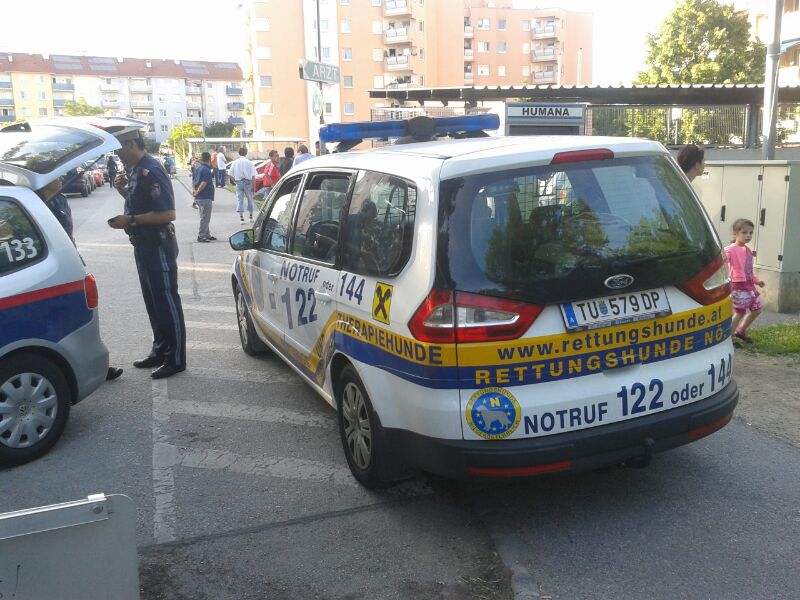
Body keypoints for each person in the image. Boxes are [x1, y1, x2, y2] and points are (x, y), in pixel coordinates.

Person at [108, 130, 186, 379]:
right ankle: (160, 350)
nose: (118, 155)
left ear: (131, 144)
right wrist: (123, 191)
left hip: (158, 245)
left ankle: (176, 358)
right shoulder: (134, 170)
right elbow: (141, 203)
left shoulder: (151, 170)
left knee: (166, 301)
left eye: (119, 149)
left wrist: (130, 219)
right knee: (153, 302)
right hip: (143, 245)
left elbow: (168, 213)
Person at [36, 175, 124, 381]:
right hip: (47, 269)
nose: (61, 177)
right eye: (55, 175)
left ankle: (95, 365)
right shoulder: (37, 204)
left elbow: (67, 235)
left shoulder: (60, 199)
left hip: (68, 262)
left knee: (82, 316)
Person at [724, 218, 765, 345]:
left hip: (749, 287)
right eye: (744, 232)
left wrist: (757, 281)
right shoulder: (730, 249)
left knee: (757, 309)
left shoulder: (748, 251)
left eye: (751, 233)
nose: (748, 235)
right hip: (738, 287)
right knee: (739, 312)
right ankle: (728, 339)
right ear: (735, 233)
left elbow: (748, 271)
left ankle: (740, 330)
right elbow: (721, 262)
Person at [228, 146, 258, 225]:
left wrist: (235, 181)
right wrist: (253, 186)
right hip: (248, 182)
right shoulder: (250, 163)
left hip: (239, 182)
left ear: (239, 153)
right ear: (246, 153)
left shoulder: (235, 162)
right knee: (250, 199)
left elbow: (230, 174)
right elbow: (253, 176)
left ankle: (241, 219)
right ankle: (251, 217)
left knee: (240, 200)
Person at [192, 152, 216, 242]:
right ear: (209, 159)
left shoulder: (198, 168)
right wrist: (197, 192)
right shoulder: (206, 170)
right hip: (205, 196)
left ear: (201, 159)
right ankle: (201, 236)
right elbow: (204, 183)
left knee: (204, 216)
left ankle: (207, 234)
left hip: (199, 198)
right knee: (205, 218)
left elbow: (193, 181)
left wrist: (194, 191)